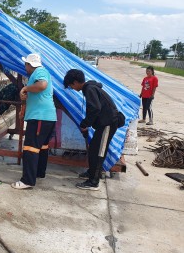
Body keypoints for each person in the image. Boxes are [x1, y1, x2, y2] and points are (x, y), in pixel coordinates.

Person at [63, 69, 119, 191]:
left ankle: (94, 181)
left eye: (72, 85)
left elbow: (95, 108)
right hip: (104, 124)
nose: (72, 88)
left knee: (99, 152)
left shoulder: (89, 89)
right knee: (94, 148)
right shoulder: (90, 88)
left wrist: (85, 123)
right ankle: (92, 173)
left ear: (76, 82)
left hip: (108, 124)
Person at [11, 53, 57, 189]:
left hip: (39, 117)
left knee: (30, 148)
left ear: (29, 65)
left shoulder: (40, 71)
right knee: (42, 147)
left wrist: (25, 88)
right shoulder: (38, 74)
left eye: (26, 64)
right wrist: (24, 108)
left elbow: (42, 85)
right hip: (47, 117)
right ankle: (39, 173)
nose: (25, 67)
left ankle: (27, 181)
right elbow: (37, 94)